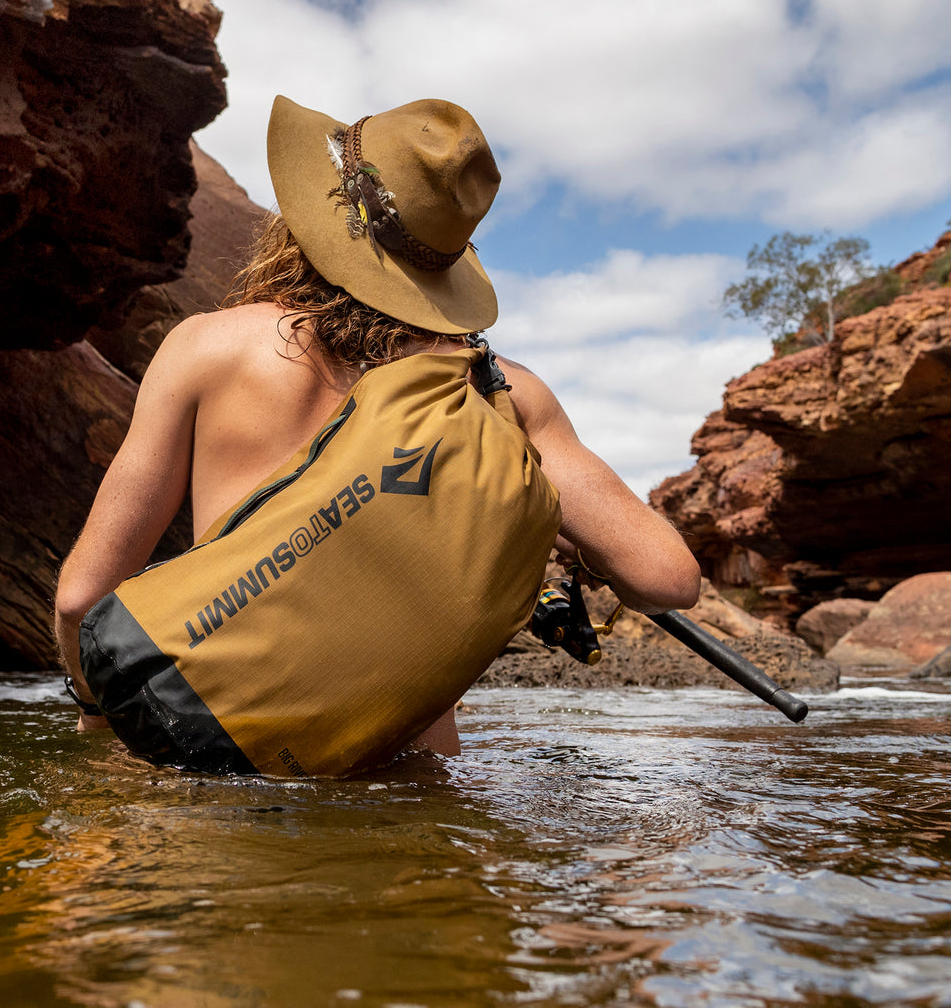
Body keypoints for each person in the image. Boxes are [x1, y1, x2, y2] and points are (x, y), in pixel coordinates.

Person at [54, 95, 700, 754]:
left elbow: (81, 600)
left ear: (311, 215)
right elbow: (665, 578)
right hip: (411, 794)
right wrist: (555, 529)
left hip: (213, 761)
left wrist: (94, 711)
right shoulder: (500, 395)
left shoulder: (205, 348)